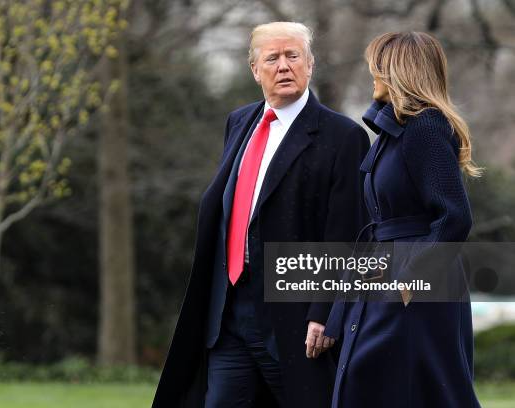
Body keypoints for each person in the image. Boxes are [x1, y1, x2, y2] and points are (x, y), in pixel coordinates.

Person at [152, 22, 369, 408]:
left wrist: (323, 311)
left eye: (293, 56)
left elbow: (344, 233)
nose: (284, 66)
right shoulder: (239, 122)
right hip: (229, 311)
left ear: (310, 64)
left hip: (295, 317)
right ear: (255, 69)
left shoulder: (343, 136)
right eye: (272, 58)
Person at [325, 32, 482, 407]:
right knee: (366, 384)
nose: (371, 74)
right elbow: (374, 228)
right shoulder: (390, 135)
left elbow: (455, 216)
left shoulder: (426, 127)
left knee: (407, 389)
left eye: (376, 66)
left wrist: (409, 281)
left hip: (416, 288)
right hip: (382, 274)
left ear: (397, 70)